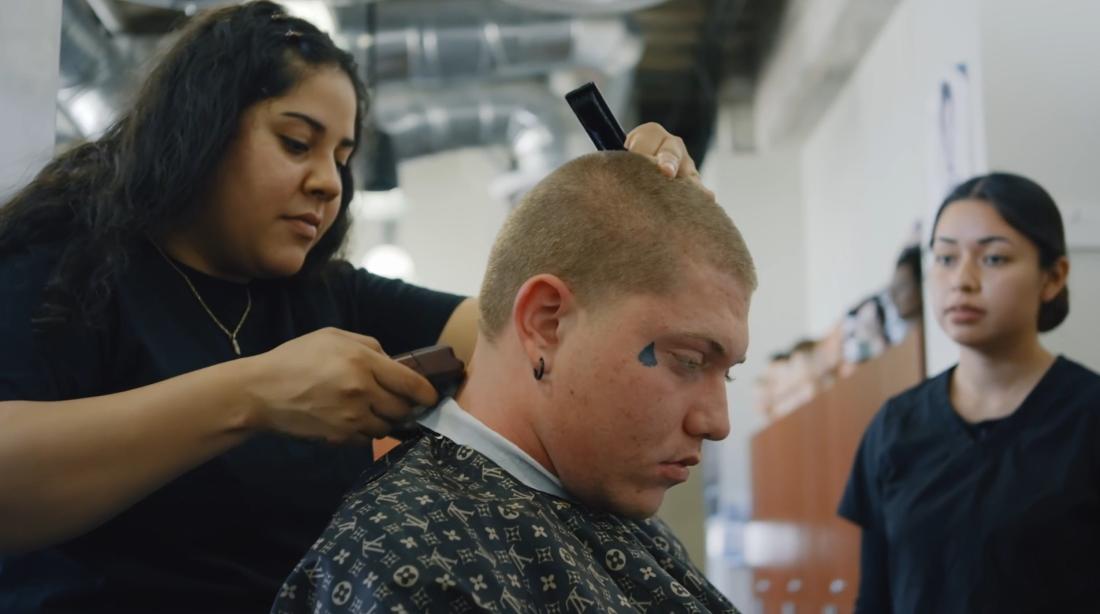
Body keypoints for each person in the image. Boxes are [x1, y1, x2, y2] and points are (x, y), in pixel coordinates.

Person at [0, 2, 703, 611]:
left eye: (342, 157)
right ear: (201, 128)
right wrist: (253, 395)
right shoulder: (68, 268)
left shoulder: (331, 297)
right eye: (296, 143)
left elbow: (523, 341)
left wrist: (633, 232)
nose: (328, 183)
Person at [272, 151, 754, 613]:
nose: (717, 423)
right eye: (688, 360)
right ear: (547, 324)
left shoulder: (600, 495)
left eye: (727, 372)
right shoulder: (413, 565)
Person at [839, 172, 1100, 613]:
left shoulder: (1088, 417)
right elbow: (875, 599)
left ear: (1053, 277)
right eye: (944, 258)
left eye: (993, 259)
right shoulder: (895, 427)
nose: (962, 280)